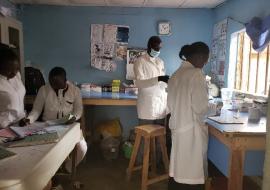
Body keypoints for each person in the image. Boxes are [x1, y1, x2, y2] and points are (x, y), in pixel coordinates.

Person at [21, 67, 87, 174]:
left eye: (57, 84)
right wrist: (29, 119)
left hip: (69, 126)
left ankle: (67, 168)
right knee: (46, 151)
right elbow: (36, 110)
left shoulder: (75, 91)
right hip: (48, 126)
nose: (54, 87)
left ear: (65, 80)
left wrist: (73, 118)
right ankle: (50, 173)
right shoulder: (44, 89)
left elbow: (78, 110)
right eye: (52, 83)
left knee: (82, 148)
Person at [167, 42, 210, 190]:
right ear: (200, 57)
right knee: (192, 174)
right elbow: (201, 108)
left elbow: (170, 105)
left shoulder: (175, 74)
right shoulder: (196, 74)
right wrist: (216, 108)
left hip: (178, 128)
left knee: (178, 170)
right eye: (205, 60)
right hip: (191, 133)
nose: (204, 64)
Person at [133, 36, 169, 126]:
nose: (158, 50)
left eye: (160, 48)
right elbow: (140, 83)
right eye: (156, 48)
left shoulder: (160, 62)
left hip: (160, 104)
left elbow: (163, 83)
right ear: (149, 46)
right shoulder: (140, 61)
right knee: (146, 137)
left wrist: (168, 82)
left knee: (159, 135)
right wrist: (158, 79)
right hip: (147, 105)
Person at [0, 43, 26, 128]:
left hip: (20, 123)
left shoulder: (17, 75)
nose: (14, 73)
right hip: (4, 126)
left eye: (16, 68)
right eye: (10, 70)